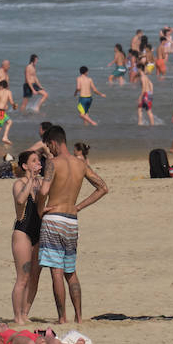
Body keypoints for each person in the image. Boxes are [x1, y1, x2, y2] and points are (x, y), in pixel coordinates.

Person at [37, 125, 109, 324]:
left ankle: (62, 318)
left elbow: (43, 191)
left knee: (56, 272)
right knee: (71, 271)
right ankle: (78, 316)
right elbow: (103, 188)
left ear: (53, 142)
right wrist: (78, 207)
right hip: (71, 221)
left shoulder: (53, 163)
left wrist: (40, 210)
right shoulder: (81, 164)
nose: (49, 151)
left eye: (48, 146)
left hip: (54, 220)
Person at [10, 150, 44, 323]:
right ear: (25, 166)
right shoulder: (19, 183)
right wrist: (30, 179)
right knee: (22, 277)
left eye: (39, 160)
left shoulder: (42, 183)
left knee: (35, 277)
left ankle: (25, 313)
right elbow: (21, 201)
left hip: (39, 233)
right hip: (23, 232)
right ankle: (17, 317)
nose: (37, 163)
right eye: (33, 161)